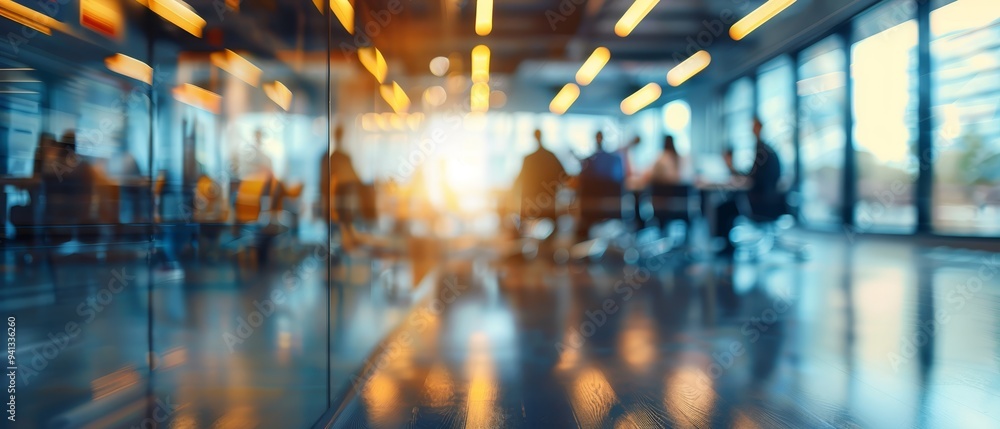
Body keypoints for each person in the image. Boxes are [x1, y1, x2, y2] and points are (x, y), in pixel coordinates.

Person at [714, 118, 783, 255]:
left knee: (723, 208)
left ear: (759, 127)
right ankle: (726, 246)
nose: (751, 129)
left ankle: (726, 248)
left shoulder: (762, 150)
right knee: (728, 205)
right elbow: (753, 174)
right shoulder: (766, 148)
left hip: (760, 202)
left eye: (753, 126)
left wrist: (731, 168)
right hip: (769, 199)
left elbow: (753, 177)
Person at [513, 129, 568, 222]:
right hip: (547, 200)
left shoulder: (529, 159)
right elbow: (564, 175)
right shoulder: (550, 156)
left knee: (529, 227)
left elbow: (520, 179)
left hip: (534, 203)